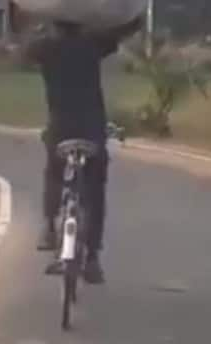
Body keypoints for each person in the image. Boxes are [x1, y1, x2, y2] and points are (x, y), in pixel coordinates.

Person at [22, 14, 144, 284]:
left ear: (54, 23)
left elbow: (26, 45)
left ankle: (48, 228)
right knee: (95, 190)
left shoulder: (45, 49)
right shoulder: (93, 44)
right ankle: (92, 259)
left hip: (60, 127)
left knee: (54, 172)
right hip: (92, 128)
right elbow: (123, 27)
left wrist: (35, 20)